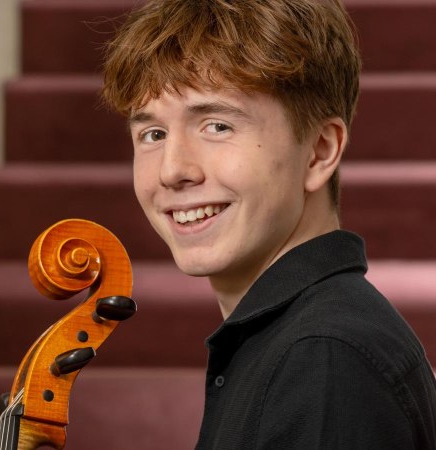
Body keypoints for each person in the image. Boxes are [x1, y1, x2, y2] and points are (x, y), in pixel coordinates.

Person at [101, 0, 436, 448]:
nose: (172, 170)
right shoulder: (294, 342)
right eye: (153, 134)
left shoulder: (323, 360)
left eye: (217, 126)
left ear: (319, 151)